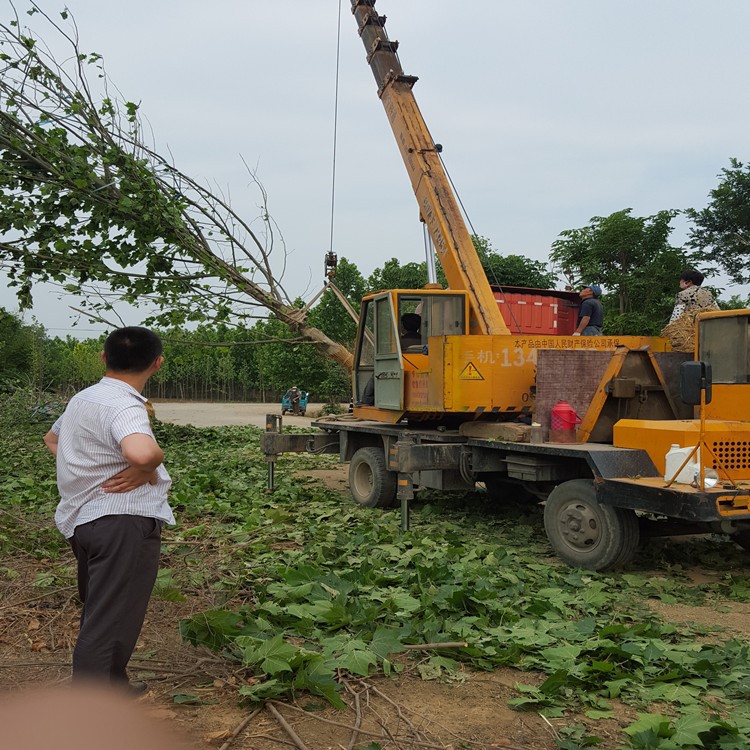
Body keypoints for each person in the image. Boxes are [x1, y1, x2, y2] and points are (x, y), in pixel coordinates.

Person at [43, 326, 174, 693]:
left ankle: (113, 685)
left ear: (104, 358)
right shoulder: (123, 404)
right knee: (108, 619)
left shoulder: (84, 398)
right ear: (157, 363)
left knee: (108, 610)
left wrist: (90, 469)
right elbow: (143, 452)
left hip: (87, 520)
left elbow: (51, 439)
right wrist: (149, 463)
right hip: (121, 522)